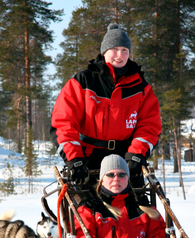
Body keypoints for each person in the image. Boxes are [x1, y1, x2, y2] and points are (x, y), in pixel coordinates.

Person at [51, 23, 161, 200]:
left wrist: (136, 156)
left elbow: (150, 125)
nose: (120, 55)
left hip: (126, 159)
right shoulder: (83, 81)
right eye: (115, 49)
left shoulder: (141, 86)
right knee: (86, 213)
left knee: (139, 212)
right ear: (104, 52)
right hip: (88, 158)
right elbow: (63, 123)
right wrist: (74, 159)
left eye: (125, 50)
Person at [74, 155, 167, 238]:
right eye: (110, 175)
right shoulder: (89, 210)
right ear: (101, 179)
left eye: (122, 175)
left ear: (128, 178)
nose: (116, 179)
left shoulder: (145, 210)